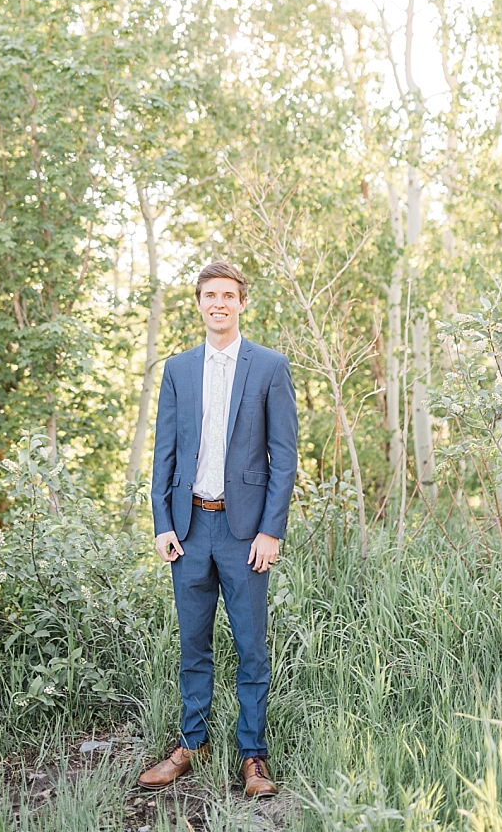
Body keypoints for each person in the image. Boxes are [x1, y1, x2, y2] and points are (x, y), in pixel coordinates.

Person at [138, 260, 298, 798]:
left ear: (242, 303)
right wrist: (162, 522)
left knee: (252, 647)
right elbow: (164, 454)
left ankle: (253, 756)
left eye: (228, 295)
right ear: (199, 303)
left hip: (244, 530)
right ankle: (192, 743)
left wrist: (270, 530)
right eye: (210, 295)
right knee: (193, 644)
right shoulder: (179, 369)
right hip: (189, 529)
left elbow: (284, 456)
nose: (219, 304)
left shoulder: (271, 367)